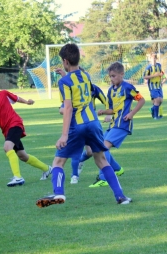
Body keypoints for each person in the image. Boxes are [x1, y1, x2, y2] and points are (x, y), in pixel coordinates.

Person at [36, 43, 132, 208]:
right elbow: (80, 81)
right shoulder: (86, 76)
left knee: (58, 162)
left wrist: (64, 134)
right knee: (101, 160)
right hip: (94, 123)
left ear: (65, 61)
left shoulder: (64, 82)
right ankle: (121, 196)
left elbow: (68, 107)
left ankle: (59, 194)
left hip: (77, 125)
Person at [0, 77, 51, 187]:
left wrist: (27, 102)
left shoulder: (3, 94)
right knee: (23, 156)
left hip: (16, 124)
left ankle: (18, 177)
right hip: (7, 131)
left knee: (7, 147)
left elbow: (16, 98)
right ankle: (47, 169)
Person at [88, 61, 145, 188]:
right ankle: (117, 169)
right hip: (113, 124)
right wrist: (103, 112)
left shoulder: (128, 87)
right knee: (98, 147)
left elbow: (141, 100)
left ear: (122, 74)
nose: (112, 79)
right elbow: (112, 110)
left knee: (103, 148)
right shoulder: (110, 91)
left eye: (114, 76)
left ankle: (104, 178)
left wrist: (131, 114)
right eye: (110, 76)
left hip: (122, 124)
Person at [143, 52, 165, 119]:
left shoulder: (159, 65)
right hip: (152, 86)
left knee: (160, 101)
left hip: (159, 85)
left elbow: (162, 73)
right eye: (152, 58)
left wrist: (162, 76)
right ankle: (156, 116)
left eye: (154, 58)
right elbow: (145, 77)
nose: (153, 60)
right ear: (149, 59)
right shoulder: (148, 67)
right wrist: (154, 75)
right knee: (157, 100)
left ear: (156, 59)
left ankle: (152, 109)